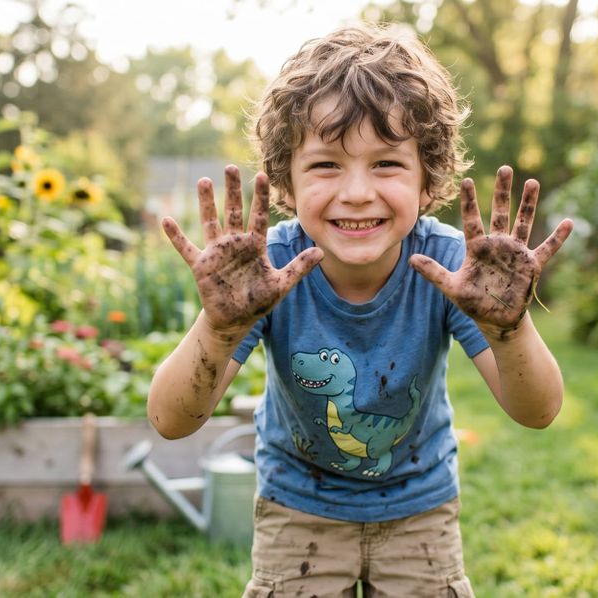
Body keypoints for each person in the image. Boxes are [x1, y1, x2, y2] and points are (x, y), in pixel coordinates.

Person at [147, 22, 573, 597]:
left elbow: (538, 411)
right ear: (287, 186)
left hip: (419, 508)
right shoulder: (267, 271)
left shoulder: (450, 265)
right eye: (326, 165)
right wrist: (220, 329)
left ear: (429, 181)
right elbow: (170, 421)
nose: (355, 192)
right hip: (297, 509)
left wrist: (509, 326)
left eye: (386, 164)